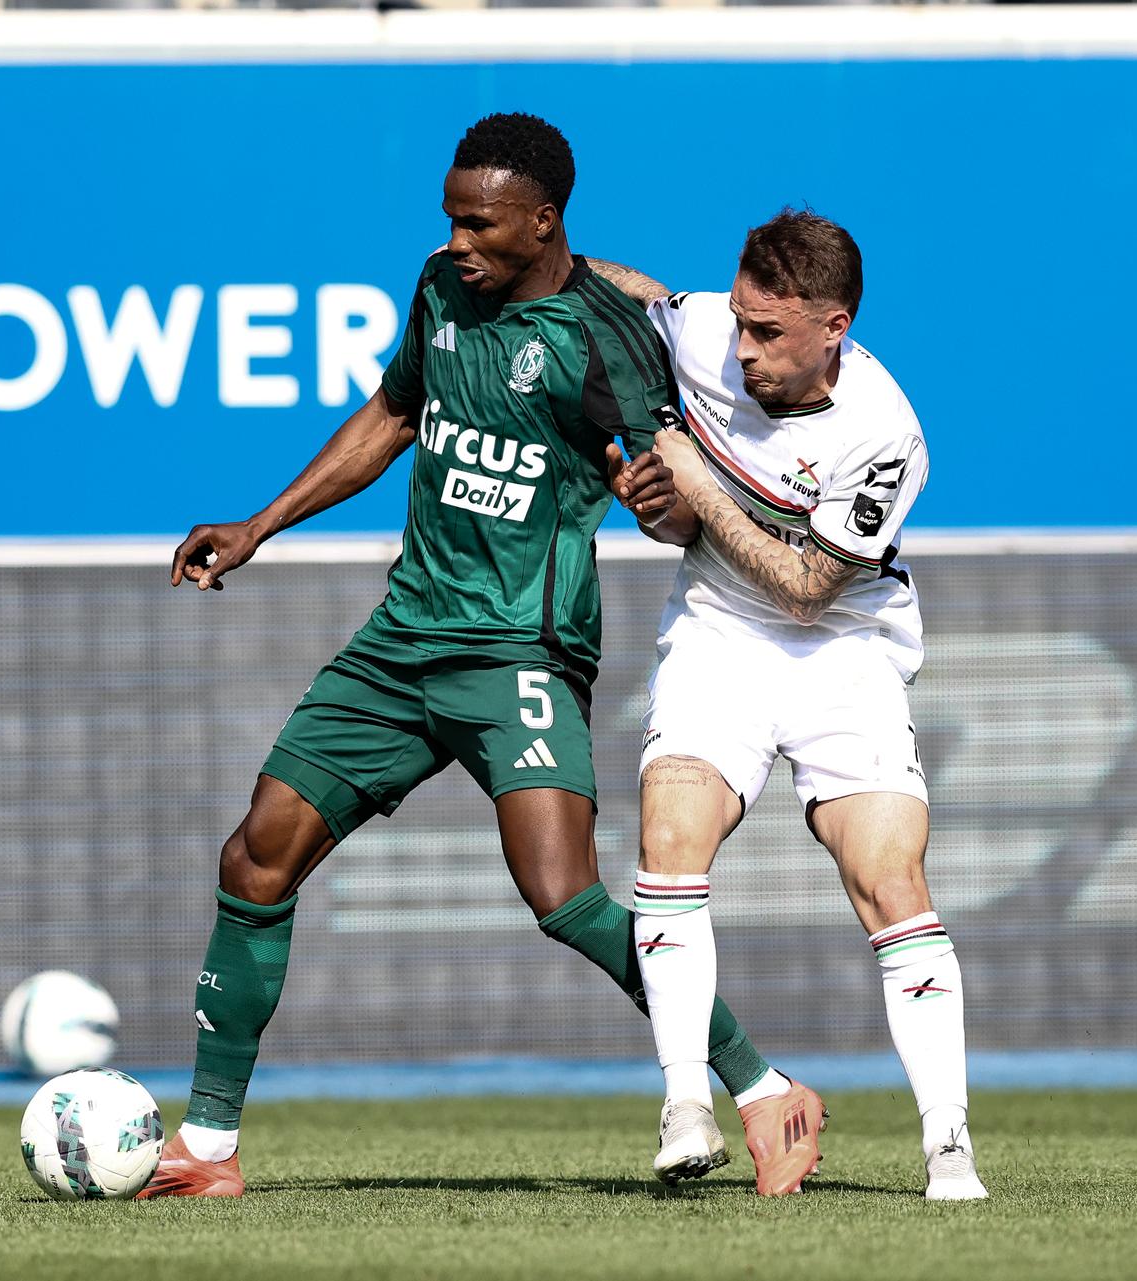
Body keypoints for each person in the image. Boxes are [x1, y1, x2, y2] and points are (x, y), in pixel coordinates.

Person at [141, 113, 815, 1199]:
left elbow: (676, 483)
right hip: (403, 642)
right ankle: (207, 1150)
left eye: (478, 222)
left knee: (563, 897)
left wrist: (660, 504)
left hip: (522, 649)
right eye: (451, 217)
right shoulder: (441, 290)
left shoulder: (606, 337)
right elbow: (394, 412)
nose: (456, 239)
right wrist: (261, 525)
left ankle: (763, 1084)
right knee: (253, 859)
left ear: (542, 222)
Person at [588, 211, 985, 1199]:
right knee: (669, 835)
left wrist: (690, 481)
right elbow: (625, 289)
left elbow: (807, 587)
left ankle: (948, 1146)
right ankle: (686, 1108)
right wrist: (527, 262)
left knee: (891, 878)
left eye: (770, 334)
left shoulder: (885, 436)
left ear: (834, 326)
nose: (745, 348)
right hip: (719, 641)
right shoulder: (708, 327)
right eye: (742, 323)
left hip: (840, 651)